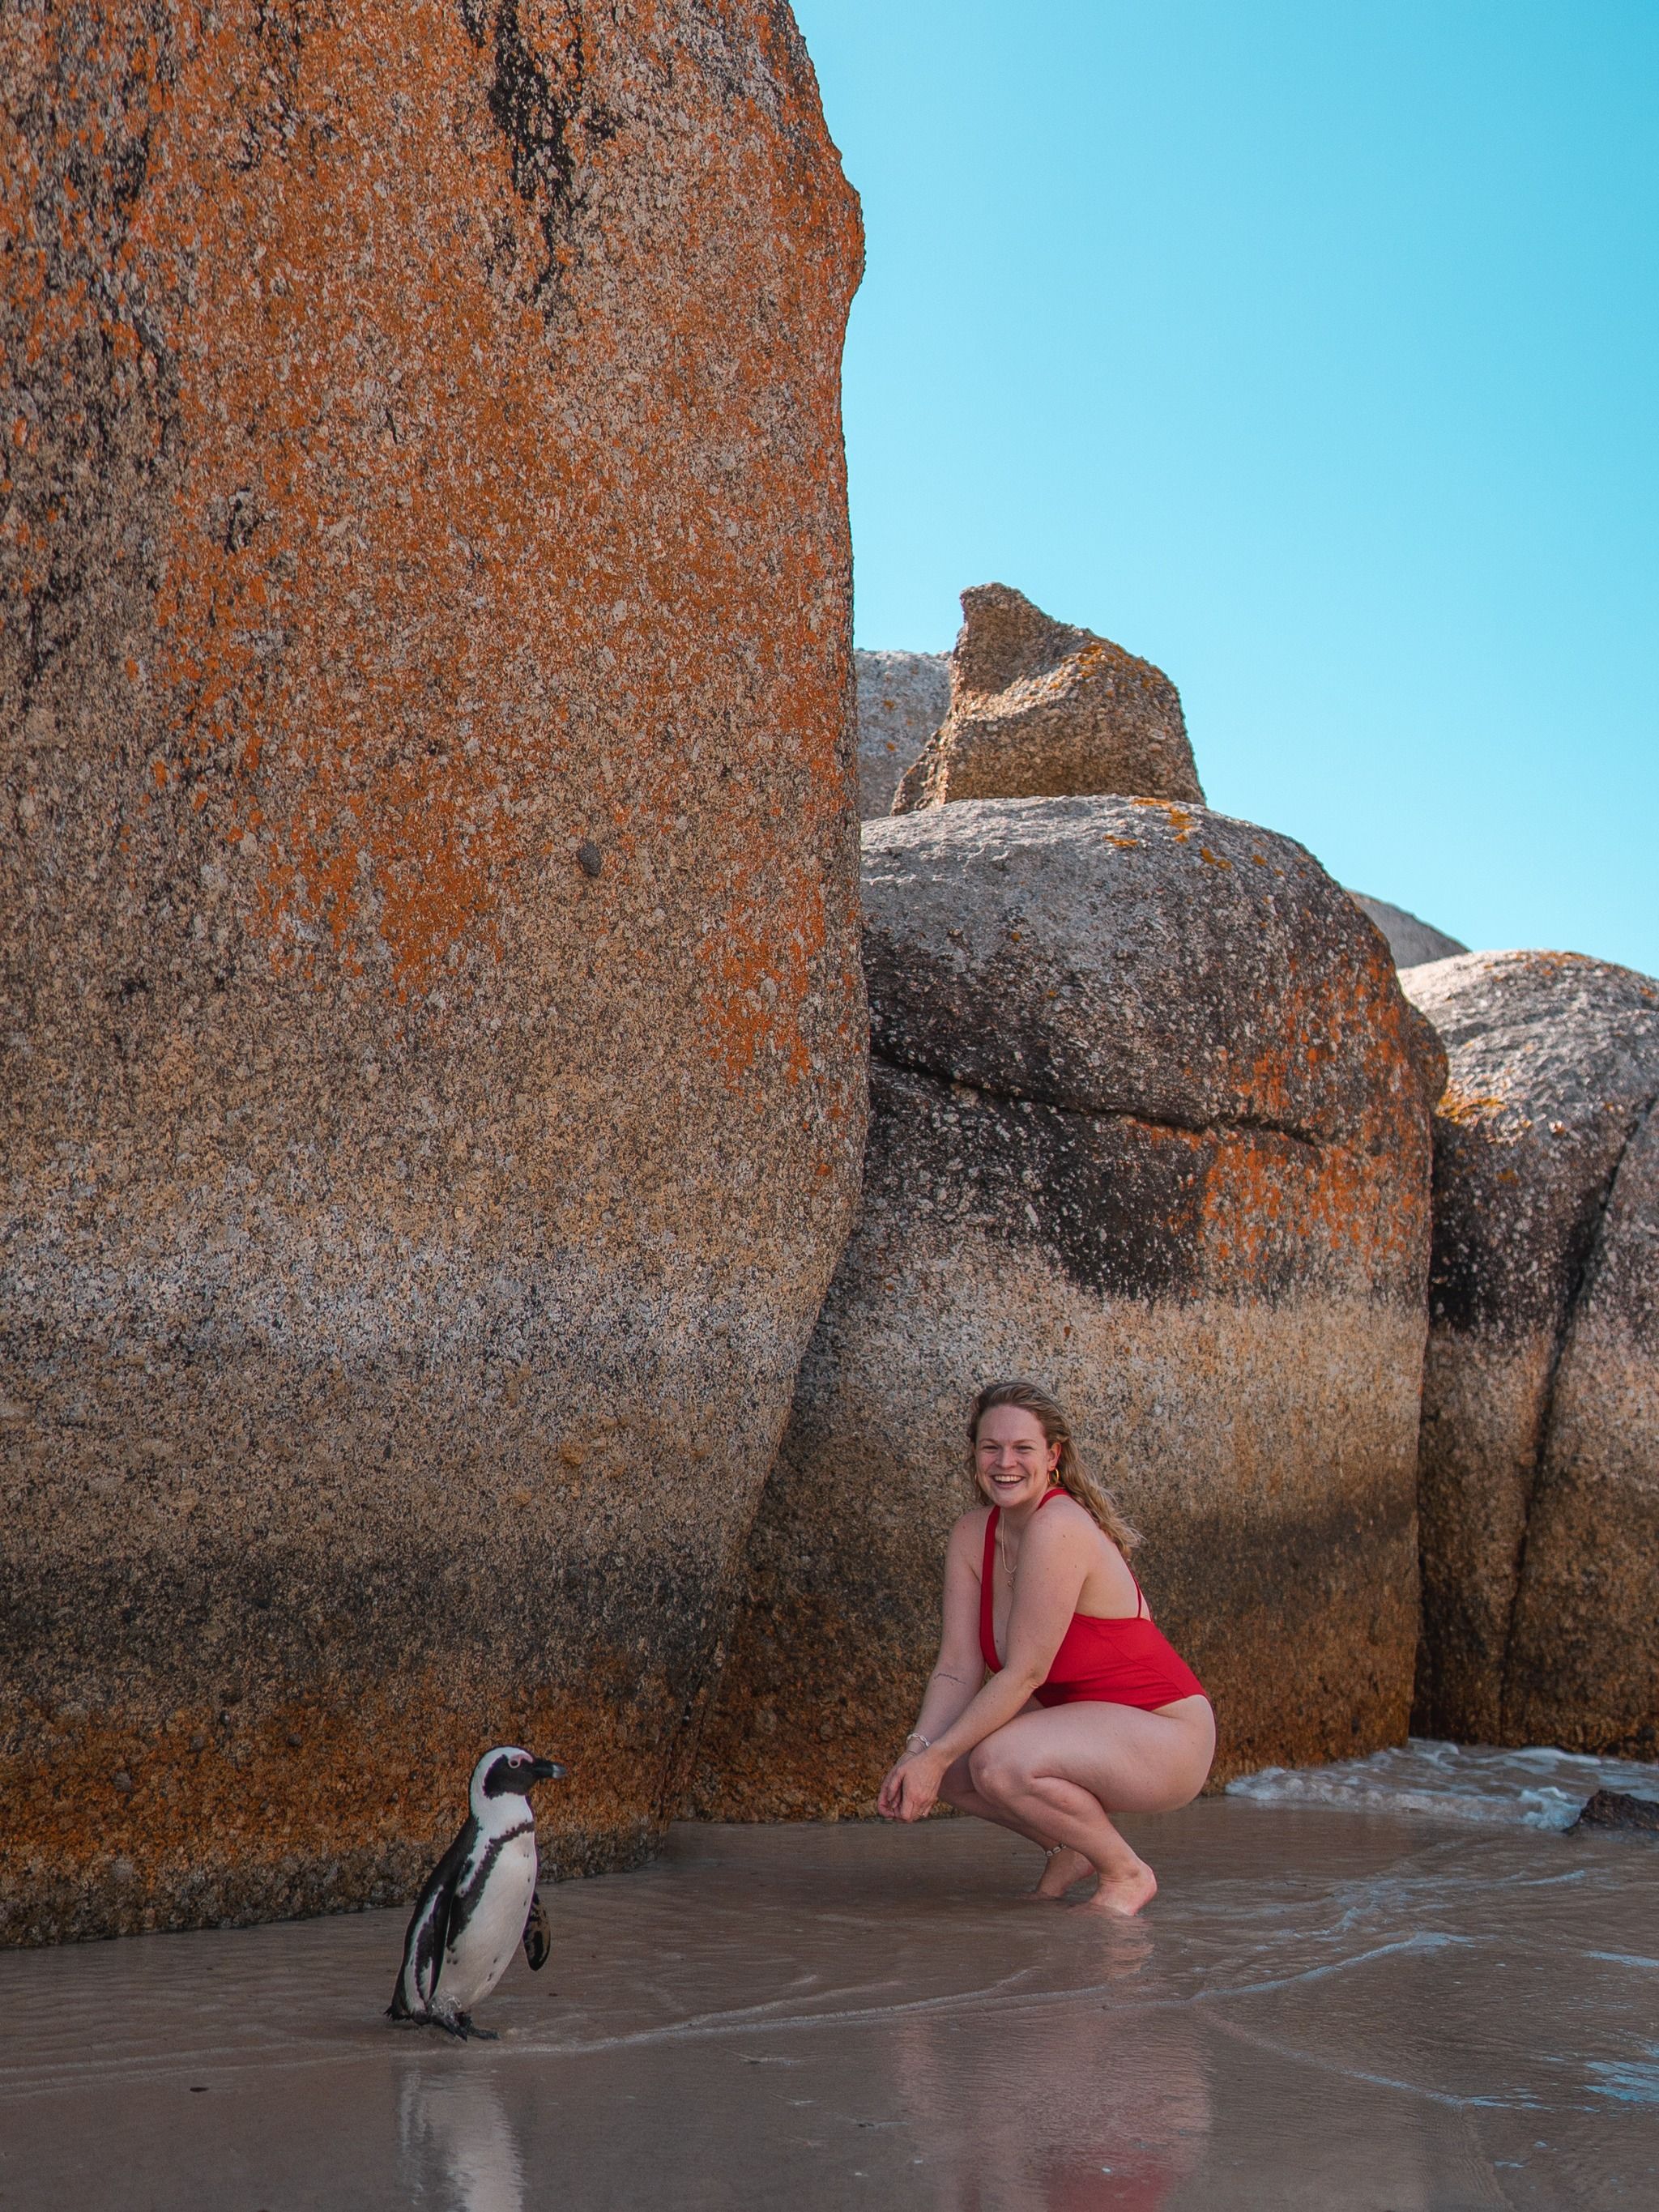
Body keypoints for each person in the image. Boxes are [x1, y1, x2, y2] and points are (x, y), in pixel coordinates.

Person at [877, 1378, 1214, 1916]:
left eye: (1022, 1448)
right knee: (956, 1768)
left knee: (996, 1761)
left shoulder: (1059, 1526)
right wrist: (920, 1751)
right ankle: (1067, 1850)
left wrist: (933, 1755)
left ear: (1053, 1455)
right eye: (991, 1447)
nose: (1004, 1461)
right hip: (1087, 1722)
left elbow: (1026, 1673)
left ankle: (1126, 1873)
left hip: (1166, 1732)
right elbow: (957, 1666)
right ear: (975, 1454)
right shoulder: (971, 1534)